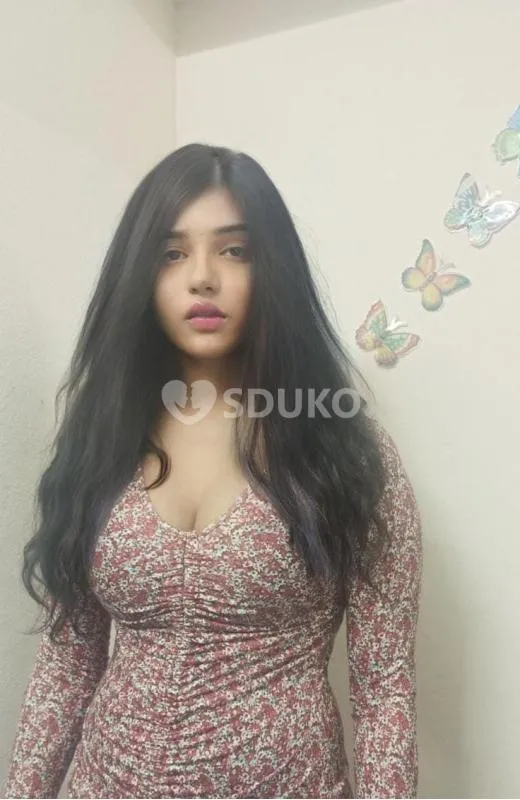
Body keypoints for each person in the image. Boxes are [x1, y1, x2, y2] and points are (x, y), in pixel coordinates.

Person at [2, 143, 423, 799]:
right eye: (172, 254)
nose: (202, 277)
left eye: (234, 250)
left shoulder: (346, 451)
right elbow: (66, 664)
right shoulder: (100, 443)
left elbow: (384, 686)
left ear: (272, 268)